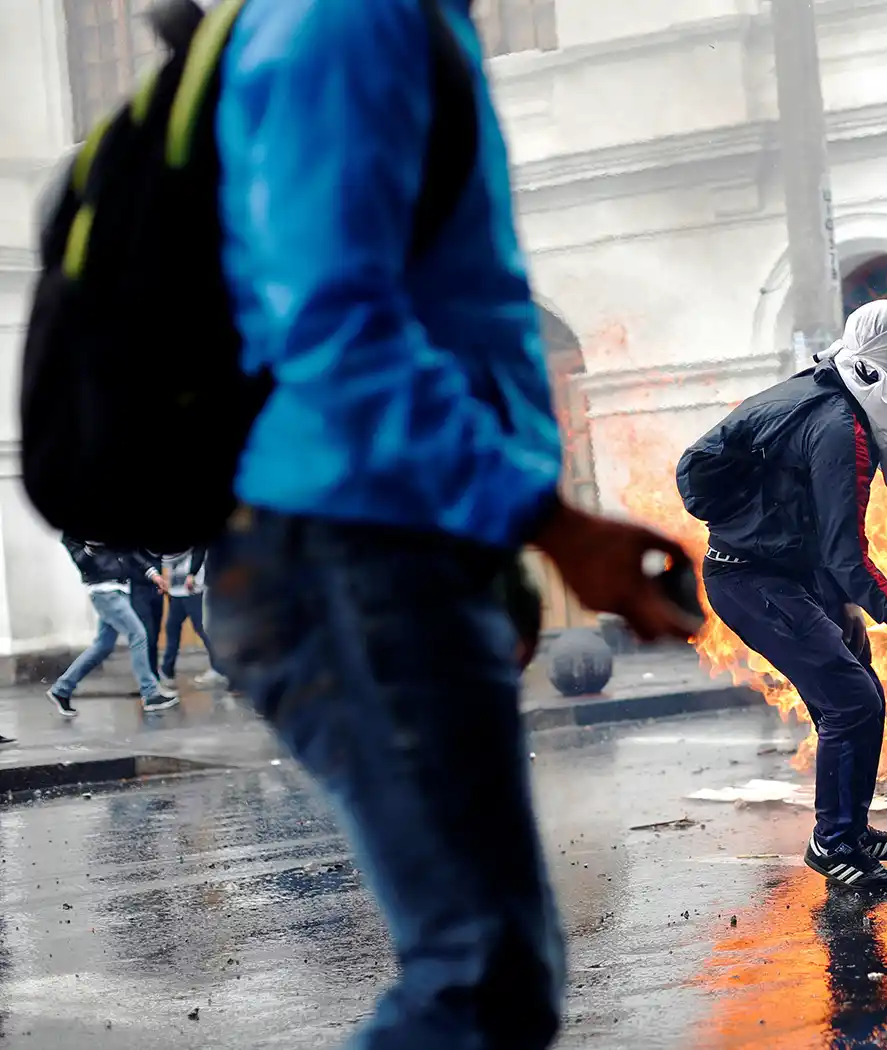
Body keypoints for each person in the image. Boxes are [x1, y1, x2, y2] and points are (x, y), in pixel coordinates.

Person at [207, 3, 698, 1048]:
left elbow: (440, 327)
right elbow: (333, 325)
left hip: (397, 547)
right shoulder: (349, 20)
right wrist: (547, 521)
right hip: (346, 549)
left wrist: (501, 557)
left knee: (496, 976)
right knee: (478, 979)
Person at [680, 299, 887, 891]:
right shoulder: (841, 425)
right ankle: (831, 843)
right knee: (850, 701)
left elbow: (818, 537)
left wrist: (855, 610)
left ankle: (851, 830)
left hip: (792, 572)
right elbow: (846, 552)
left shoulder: (831, 389)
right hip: (749, 578)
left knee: (860, 691)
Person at [48, 537, 180, 716]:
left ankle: (62, 689)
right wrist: (91, 547)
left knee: (103, 645)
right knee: (138, 634)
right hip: (104, 591)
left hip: (121, 588)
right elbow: (81, 562)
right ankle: (150, 694)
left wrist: (153, 573)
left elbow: (130, 551)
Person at [158, 548, 226, 691]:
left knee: (201, 629)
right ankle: (166, 670)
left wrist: (192, 573)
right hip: (176, 590)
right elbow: (165, 560)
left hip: (193, 590)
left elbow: (199, 551)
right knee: (172, 628)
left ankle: (220, 669)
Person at [127, 549, 166, 682]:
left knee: (154, 635)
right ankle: (148, 683)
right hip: (139, 586)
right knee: (146, 635)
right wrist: (153, 573)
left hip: (156, 585)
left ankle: (154, 678)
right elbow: (132, 553)